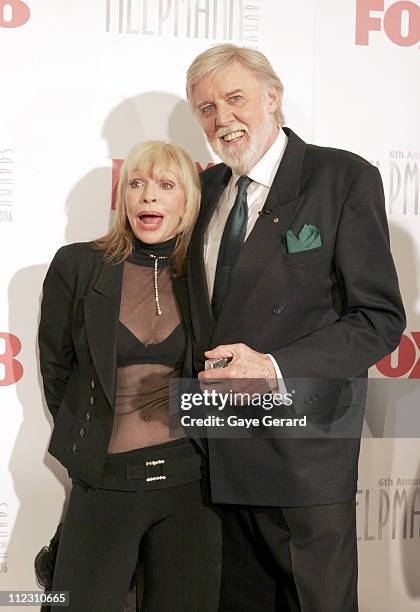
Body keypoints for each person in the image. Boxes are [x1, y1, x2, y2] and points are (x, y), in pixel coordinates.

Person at [185, 44, 405, 611]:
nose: (222, 118)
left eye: (235, 98)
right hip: (220, 453)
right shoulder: (205, 191)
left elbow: (378, 320)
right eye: (206, 107)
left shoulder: (342, 177)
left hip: (306, 455)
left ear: (273, 97)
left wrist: (275, 368)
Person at [38, 141, 221, 611]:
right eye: (136, 184)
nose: (148, 196)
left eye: (165, 185)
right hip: (106, 481)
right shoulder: (78, 264)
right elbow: (57, 372)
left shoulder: (202, 275)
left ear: (188, 202)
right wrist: (90, 444)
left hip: (190, 483)